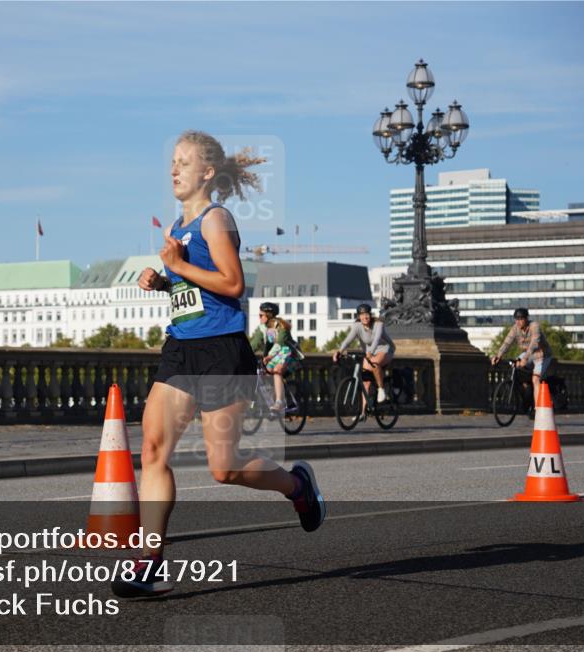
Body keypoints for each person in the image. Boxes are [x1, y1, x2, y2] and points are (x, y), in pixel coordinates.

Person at [111, 130, 325, 599]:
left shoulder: (216, 219)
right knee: (151, 451)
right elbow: (194, 292)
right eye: (172, 161)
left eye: (184, 162)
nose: (174, 169)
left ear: (207, 172)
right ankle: (149, 561)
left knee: (223, 469)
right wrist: (162, 282)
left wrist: (178, 266)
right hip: (181, 348)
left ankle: (297, 486)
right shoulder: (176, 227)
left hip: (222, 352)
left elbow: (232, 284)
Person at [331, 304, 395, 415]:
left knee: (374, 363)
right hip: (370, 352)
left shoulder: (378, 324)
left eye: (367, 314)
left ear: (370, 315)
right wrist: (339, 351)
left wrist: (370, 353)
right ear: (359, 317)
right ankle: (362, 413)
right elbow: (347, 340)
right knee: (365, 383)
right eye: (362, 315)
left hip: (384, 349)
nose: (365, 317)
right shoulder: (357, 326)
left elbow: (376, 340)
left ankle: (381, 390)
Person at [491, 307, 554, 411]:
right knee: (514, 366)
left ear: (526, 318)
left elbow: (535, 343)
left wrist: (525, 358)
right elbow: (507, 342)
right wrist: (498, 355)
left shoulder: (534, 326)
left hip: (541, 354)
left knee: (535, 379)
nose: (518, 321)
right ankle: (525, 392)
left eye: (521, 319)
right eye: (516, 319)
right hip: (527, 354)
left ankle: (538, 410)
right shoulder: (515, 328)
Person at [249, 302, 301, 412]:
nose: (259, 318)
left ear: (269, 315)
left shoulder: (281, 326)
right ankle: (274, 399)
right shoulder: (262, 329)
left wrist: (268, 357)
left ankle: (280, 402)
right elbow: (254, 344)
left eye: (261, 315)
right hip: (273, 356)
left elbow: (280, 343)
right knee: (266, 371)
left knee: (277, 370)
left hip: (287, 353)